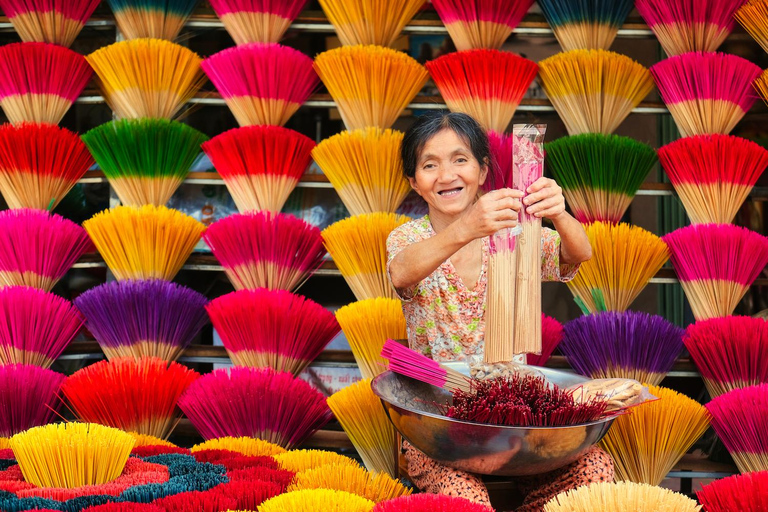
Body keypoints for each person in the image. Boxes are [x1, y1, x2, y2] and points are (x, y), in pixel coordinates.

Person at [386, 112, 612, 511]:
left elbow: (577, 254)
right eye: (429, 164)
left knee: (595, 470)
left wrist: (559, 212)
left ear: (482, 168)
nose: (446, 175)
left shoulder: (516, 232)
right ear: (413, 182)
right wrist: (468, 226)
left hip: (517, 423)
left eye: (460, 159)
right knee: (464, 498)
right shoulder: (409, 238)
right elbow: (401, 272)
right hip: (440, 427)